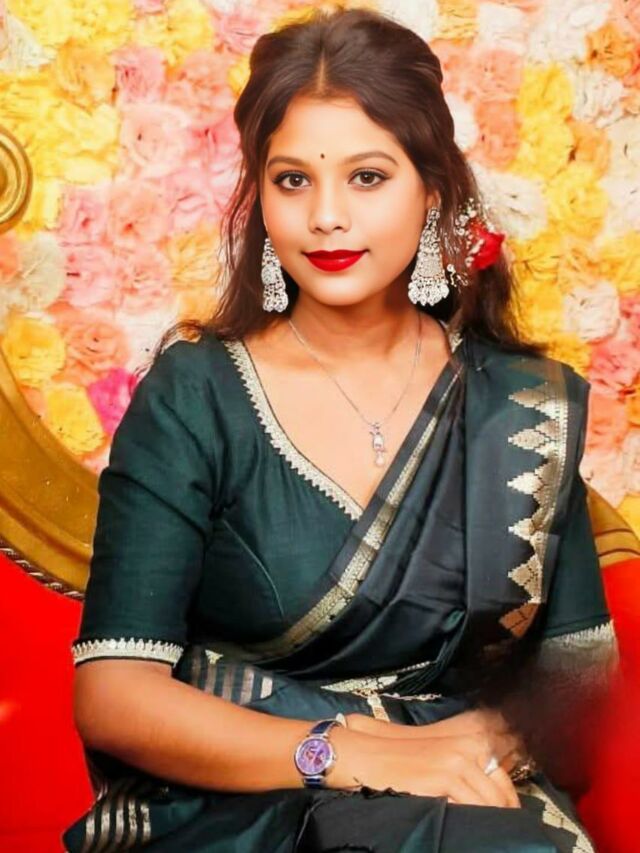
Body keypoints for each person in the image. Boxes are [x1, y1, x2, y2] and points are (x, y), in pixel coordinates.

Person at [64, 7, 619, 852]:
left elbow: (574, 676)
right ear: (260, 197)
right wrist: (348, 751)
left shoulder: (520, 407)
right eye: (292, 180)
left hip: (460, 789)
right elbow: (115, 693)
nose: (326, 216)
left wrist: (482, 743)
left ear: (433, 190)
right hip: (243, 804)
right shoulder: (197, 395)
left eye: (367, 176)